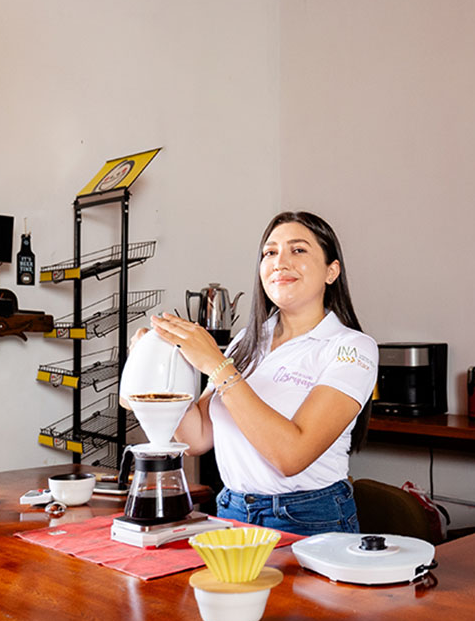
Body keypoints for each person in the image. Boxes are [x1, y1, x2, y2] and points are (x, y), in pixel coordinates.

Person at [131, 211, 377, 536]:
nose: (280, 262)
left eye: (298, 250)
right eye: (270, 252)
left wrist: (217, 365)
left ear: (332, 271)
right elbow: (196, 438)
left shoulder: (352, 348)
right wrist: (159, 366)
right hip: (232, 510)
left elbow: (291, 456)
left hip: (309, 519)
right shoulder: (247, 341)